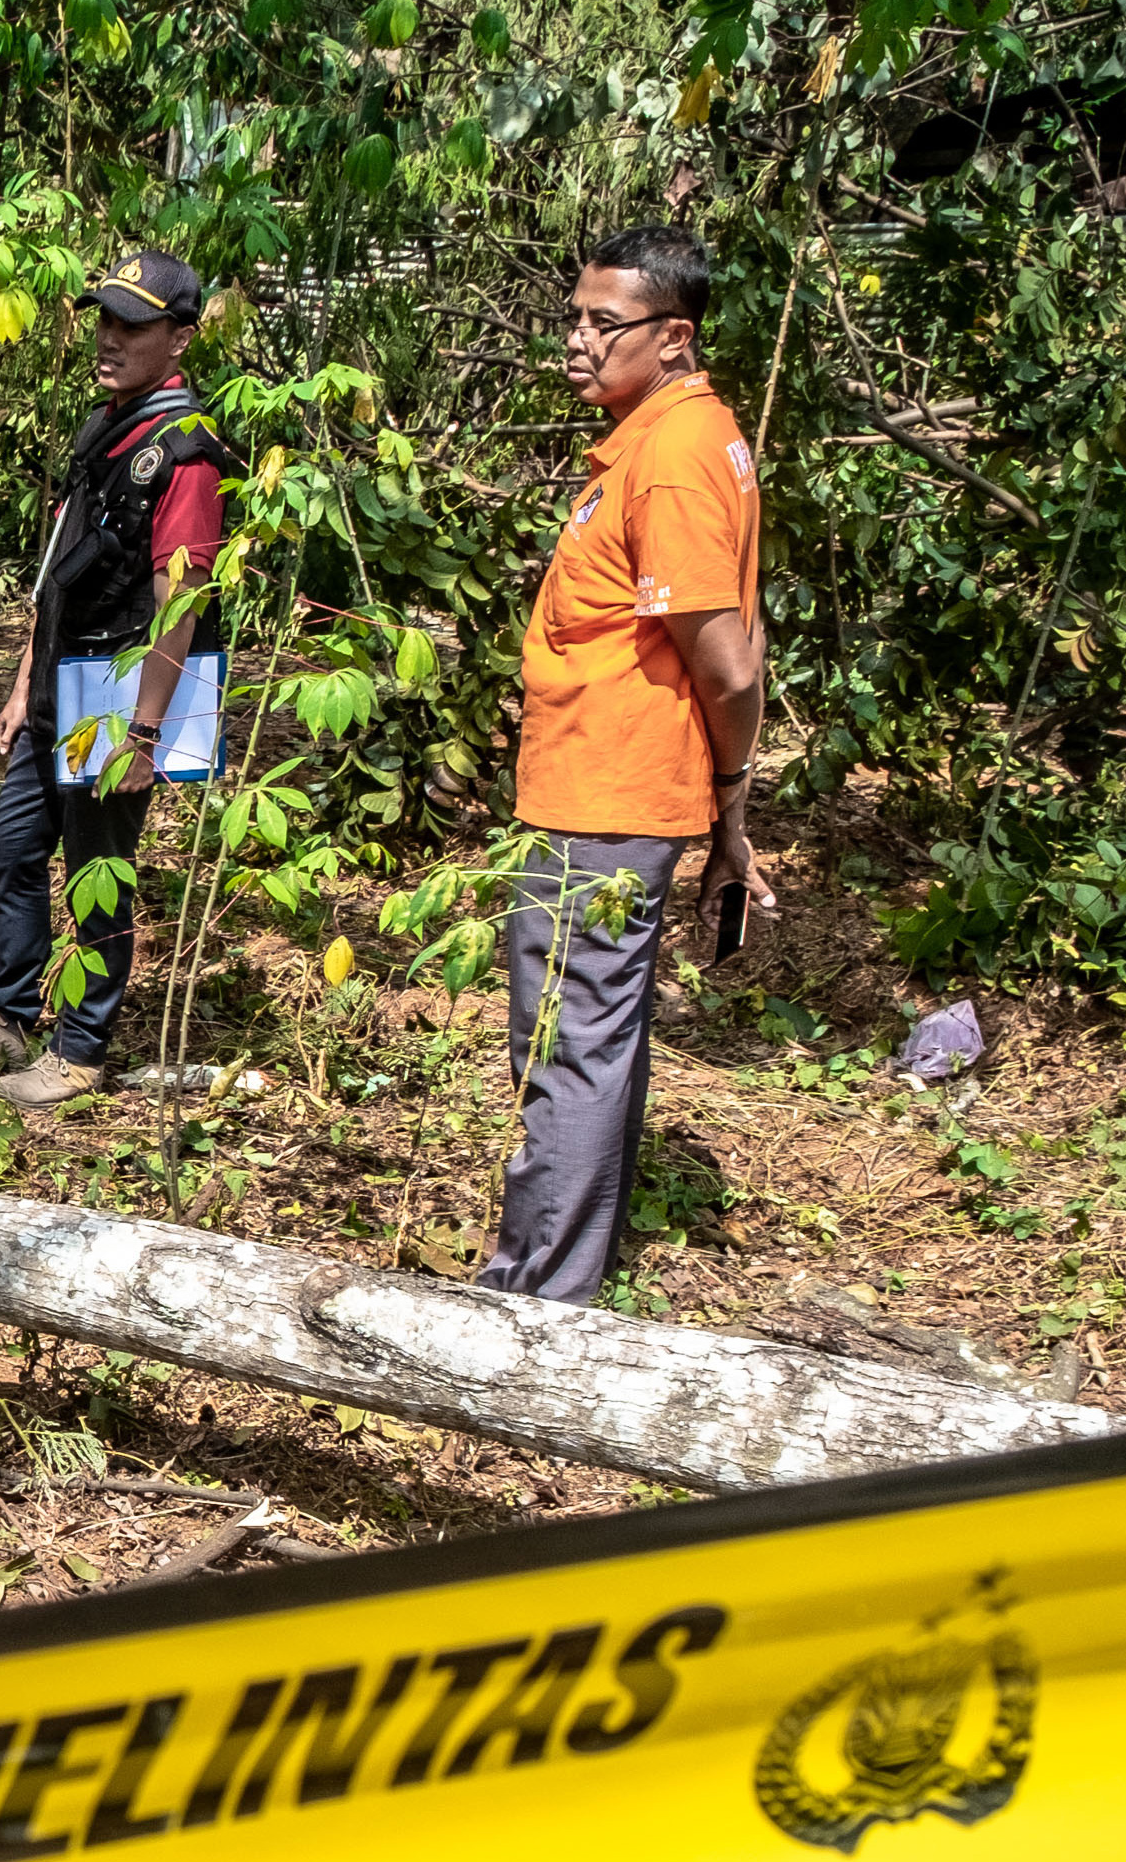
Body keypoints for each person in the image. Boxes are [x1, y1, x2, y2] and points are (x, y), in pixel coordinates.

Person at [476, 224, 771, 1305]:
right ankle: (560, 1265)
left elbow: (728, 665)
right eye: (575, 317)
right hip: (596, 781)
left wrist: (729, 800)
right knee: (586, 1029)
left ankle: (539, 1297)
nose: (576, 343)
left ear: (676, 338)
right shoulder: (665, 440)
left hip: (610, 793)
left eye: (605, 324)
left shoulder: (678, 457)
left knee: (566, 1037)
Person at [0, 248, 227, 1106]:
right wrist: (22, 684)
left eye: (134, 325)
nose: (111, 338)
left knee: (98, 872)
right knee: (11, 849)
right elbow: (58, 571)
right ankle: (5, 1013)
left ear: (180, 340)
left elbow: (181, 600)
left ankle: (81, 1050)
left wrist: (146, 732)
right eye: (106, 320)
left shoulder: (185, 454)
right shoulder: (105, 428)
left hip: (120, 701)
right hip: (59, 687)